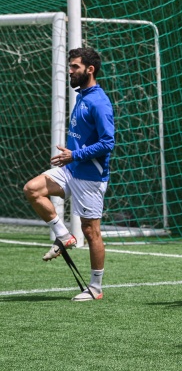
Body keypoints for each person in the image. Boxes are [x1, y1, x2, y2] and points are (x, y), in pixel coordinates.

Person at [23, 47, 115, 301]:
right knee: (32, 189)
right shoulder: (82, 96)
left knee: (91, 231)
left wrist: (74, 154)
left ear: (90, 69)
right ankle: (64, 236)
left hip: (91, 177)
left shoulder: (99, 102)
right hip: (71, 170)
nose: (70, 71)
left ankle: (96, 287)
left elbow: (108, 142)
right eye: (71, 66)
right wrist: (71, 158)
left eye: (75, 67)